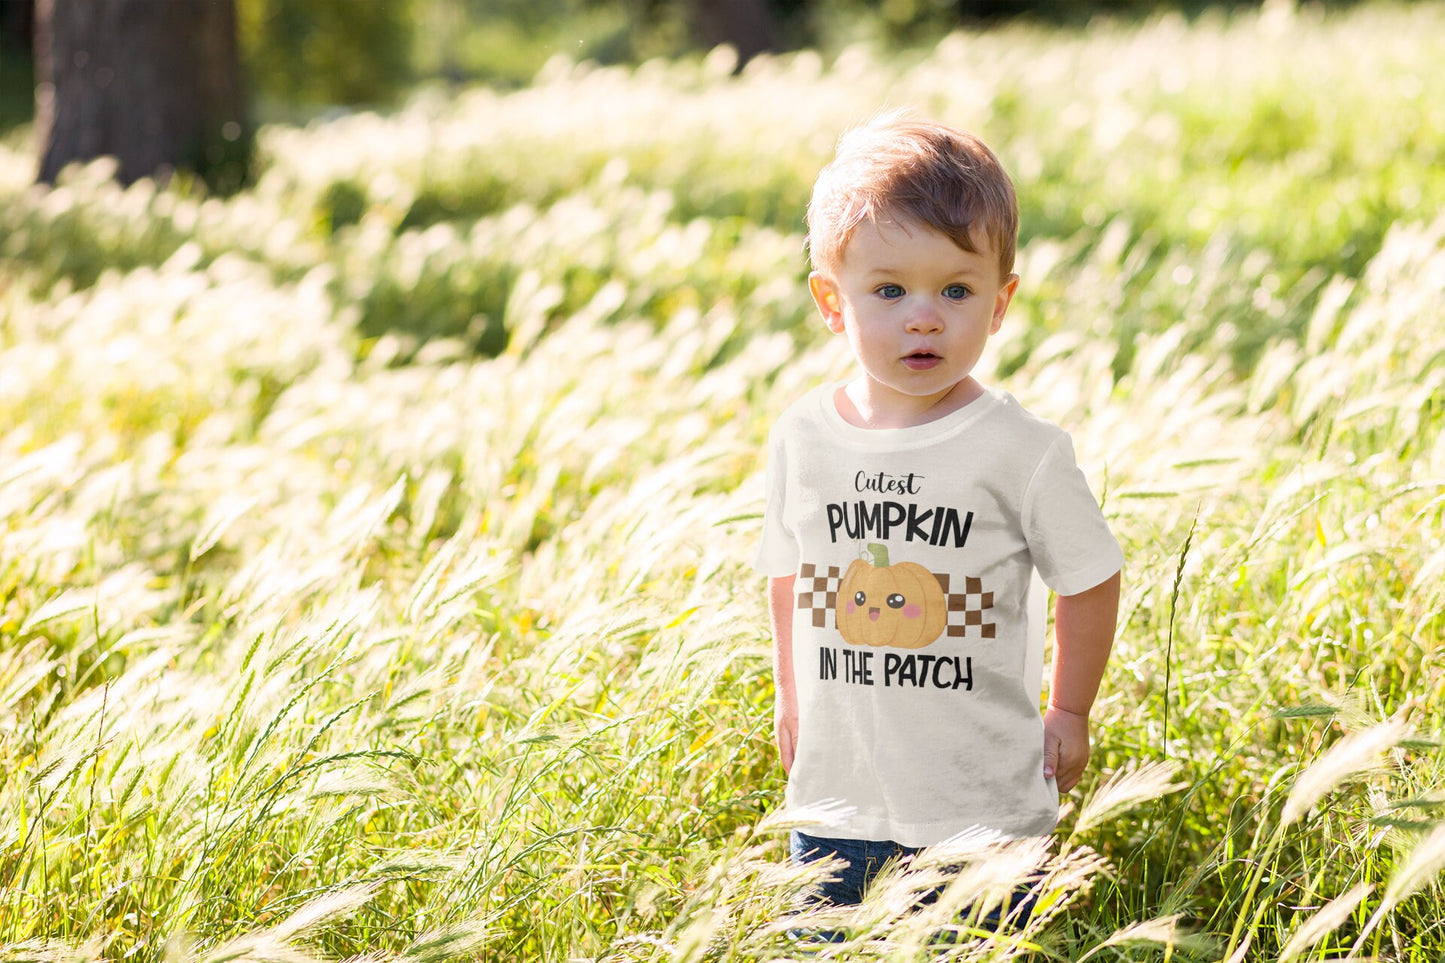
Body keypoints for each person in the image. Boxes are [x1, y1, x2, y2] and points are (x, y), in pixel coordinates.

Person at [753, 113, 1123, 932]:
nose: (923, 317)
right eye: (888, 290)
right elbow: (789, 573)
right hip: (838, 800)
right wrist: (791, 697)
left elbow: (1091, 577)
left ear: (999, 303)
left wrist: (1068, 709)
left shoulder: (1019, 450)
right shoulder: (803, 437)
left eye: (955, 289)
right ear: (830, 300)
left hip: (978, 806)